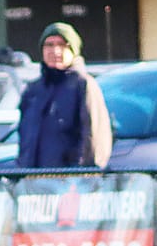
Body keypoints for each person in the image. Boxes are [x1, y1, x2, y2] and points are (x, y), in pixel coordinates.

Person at [15, 22, 111, 169]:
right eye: (49, 45)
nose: (55, 50)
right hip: (33, 184)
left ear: (73, 50)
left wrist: (83, 177)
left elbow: (94, 140)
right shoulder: (32, 90)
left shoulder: (83, 85)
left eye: (62, 44)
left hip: (70, 185)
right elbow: (25, 139)